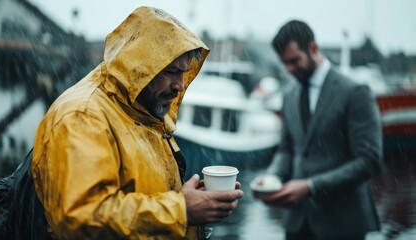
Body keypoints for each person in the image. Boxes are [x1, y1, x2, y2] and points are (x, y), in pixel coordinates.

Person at [30, 6, 243, 239]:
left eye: (183, 73)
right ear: (140, 66)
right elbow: (81, 217)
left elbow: (143, 192)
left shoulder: (142, 110)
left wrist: (196, 201)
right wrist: (180, 209)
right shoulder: (83, 117)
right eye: (172, 71)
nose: (180, 85)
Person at [254, 20, 382, 240]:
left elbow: (369, 161)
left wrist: (311, 187)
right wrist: (272, 178)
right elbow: (287, 149)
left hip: (342, 225)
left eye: (294, 61)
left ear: (312, 48)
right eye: (284, 63)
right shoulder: (289, 95)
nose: (289, 70)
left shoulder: (355, 92)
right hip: (296, 224)